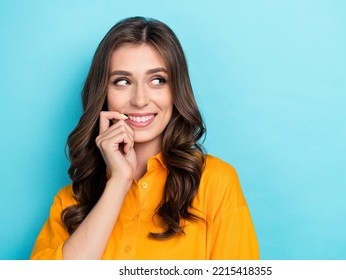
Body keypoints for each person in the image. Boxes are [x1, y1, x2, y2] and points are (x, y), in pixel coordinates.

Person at [30, 16, 259, 260]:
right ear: (102, 93)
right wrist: (119, 181)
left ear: (176, 91)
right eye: (123, 81)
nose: (139, 100)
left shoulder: (216, 182)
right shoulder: (70, 201)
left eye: (157, 80)